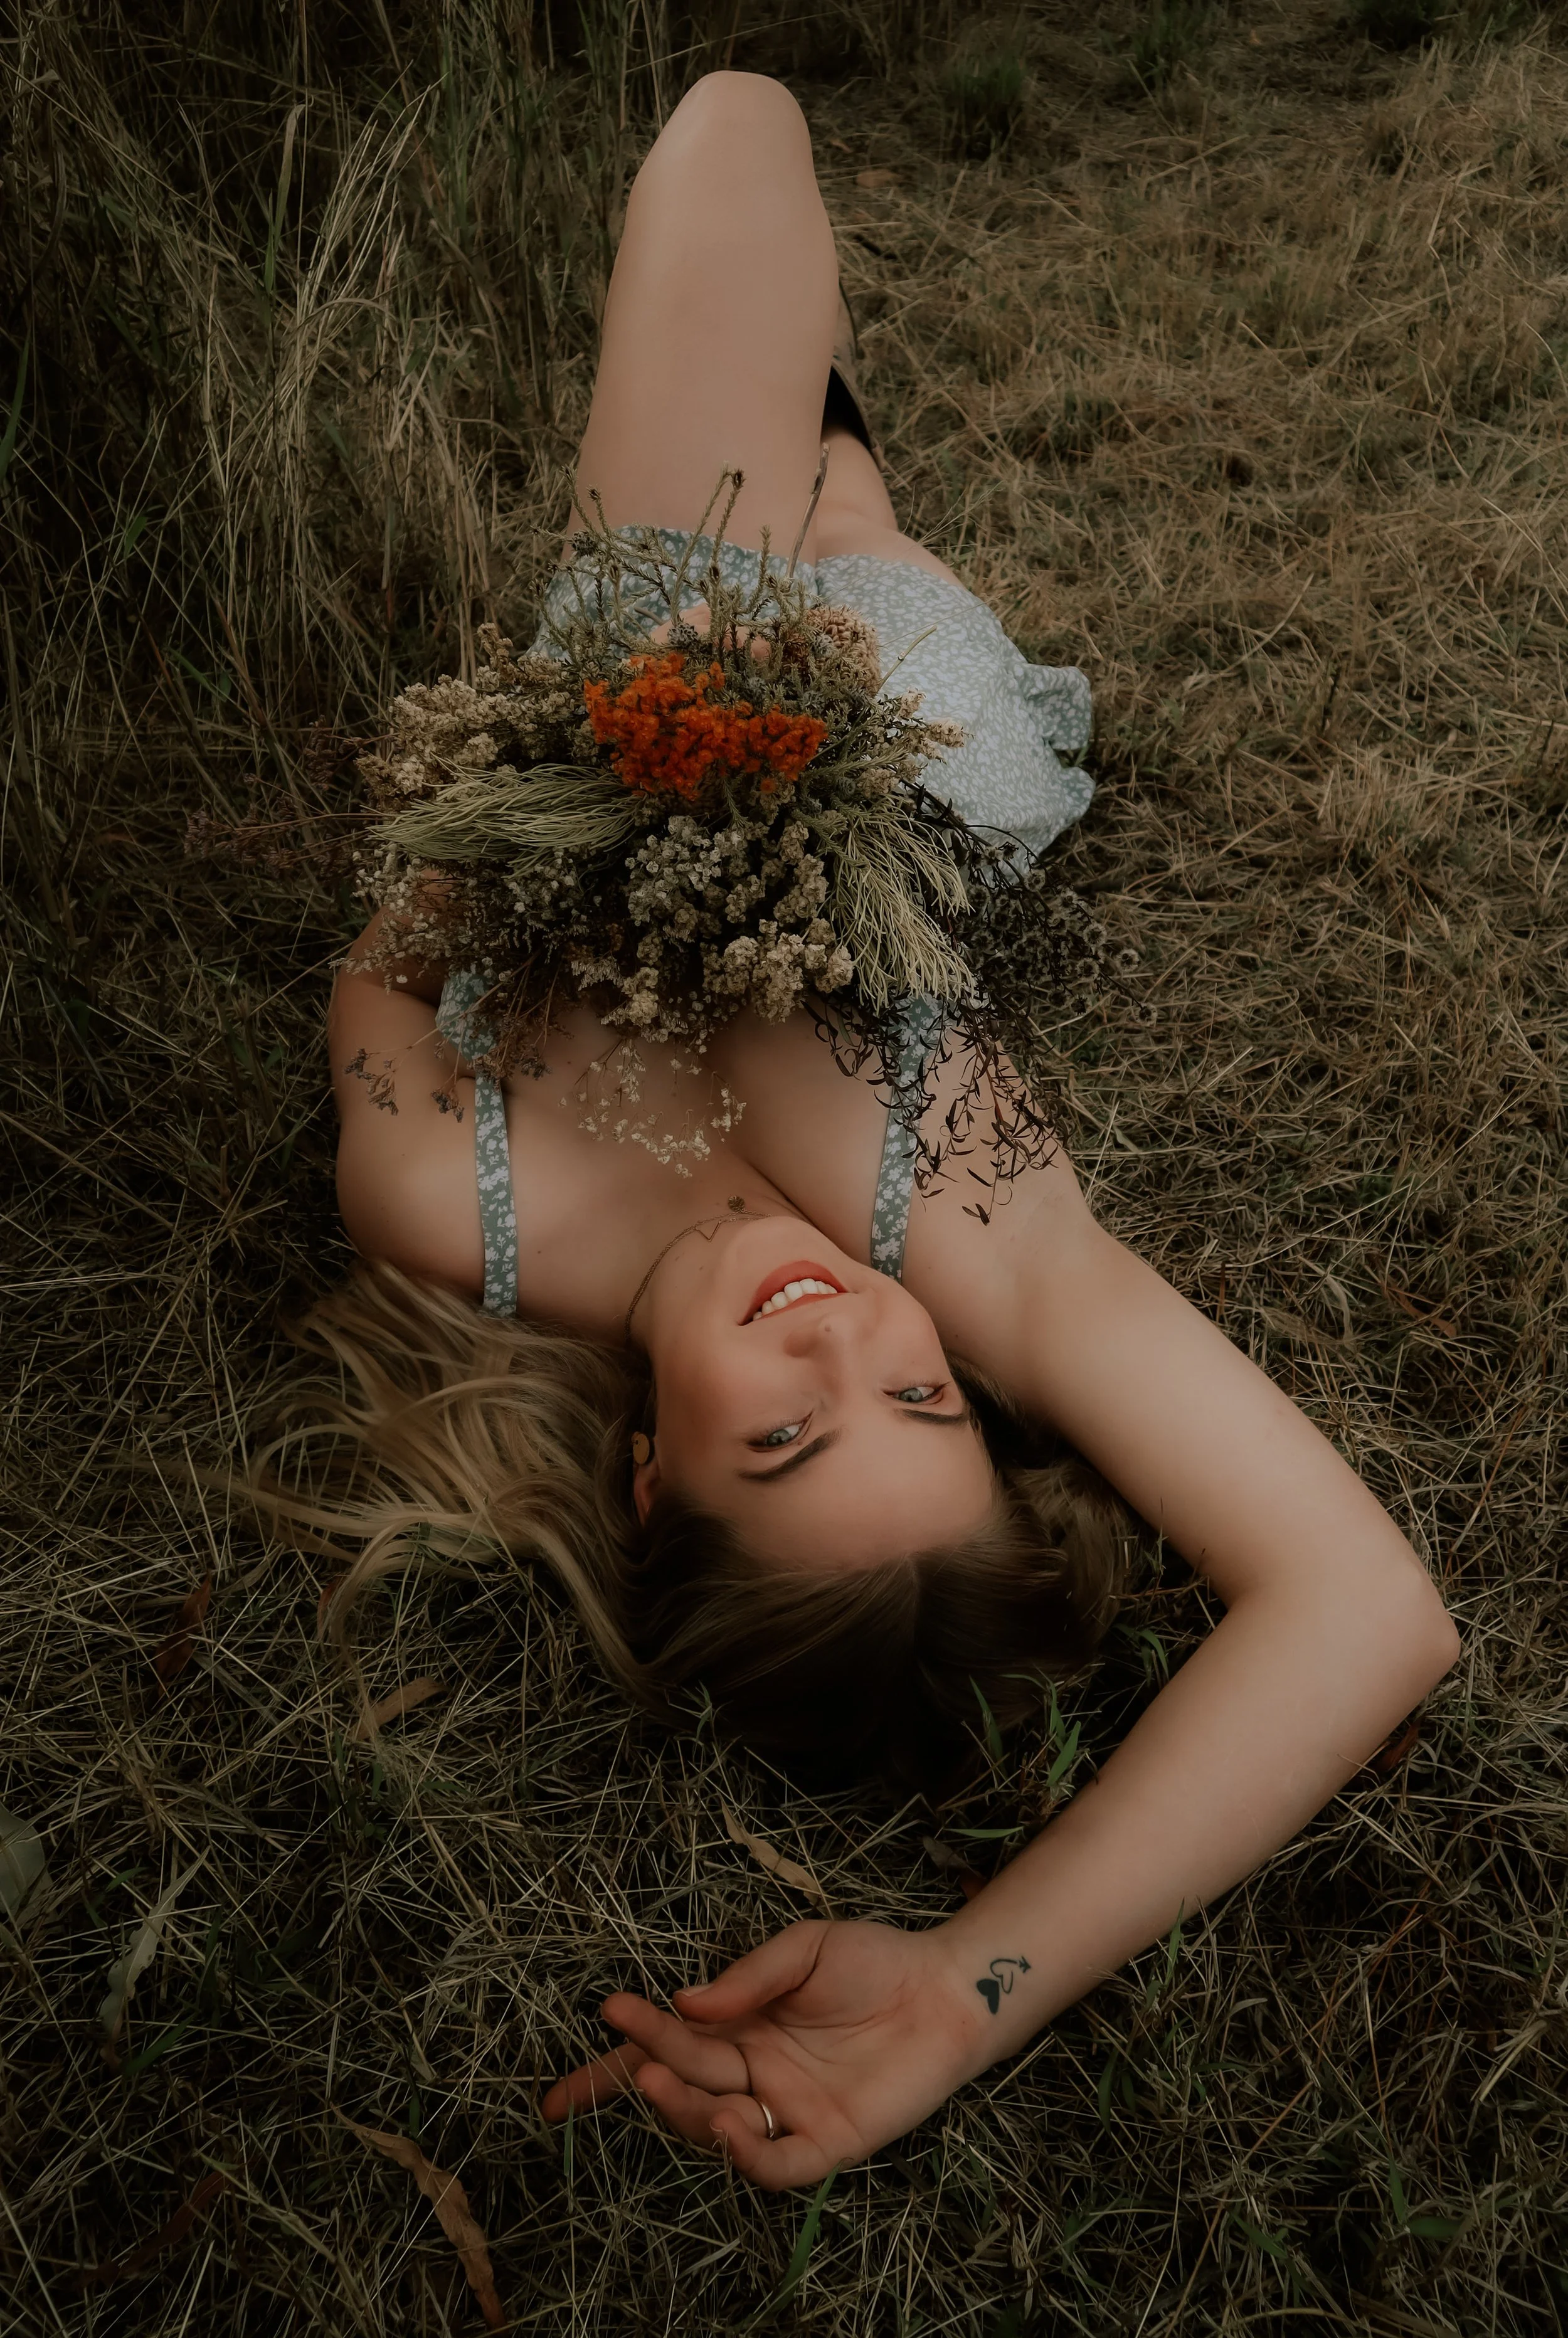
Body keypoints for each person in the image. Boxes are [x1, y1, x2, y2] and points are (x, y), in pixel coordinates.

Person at [286, 73, 1458, 2192]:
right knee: (847, 530)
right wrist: (958, 1984)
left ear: (646, 1475)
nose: (842, 1327)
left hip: (669, 677)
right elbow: (1368, 1609)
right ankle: (823, 463)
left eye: (785, 1429)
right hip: (936, 728)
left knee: (731, 219)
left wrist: (602, 810)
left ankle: (800, 457)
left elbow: (398, 926)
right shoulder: (969, 1234)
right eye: (916, 1391)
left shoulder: (431, 1185)